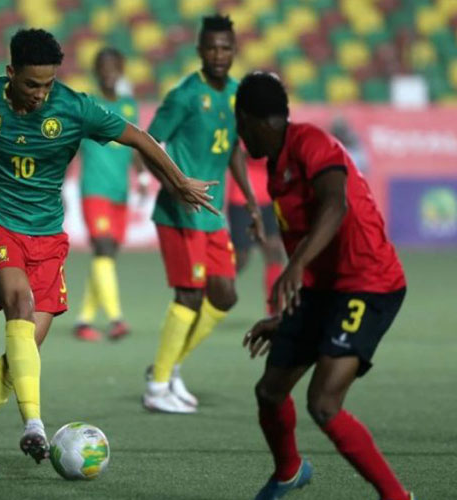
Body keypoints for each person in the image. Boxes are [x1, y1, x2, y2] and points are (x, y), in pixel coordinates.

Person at [0, 28, 216, 476]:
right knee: (20, 308)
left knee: (20, 354)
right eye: (31, 84)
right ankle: (35, 424)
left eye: (47, 84)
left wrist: (178, 182)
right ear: (10, 74)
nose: (41, 94)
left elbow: (139, 137)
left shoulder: (75, 107)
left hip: (48, 240)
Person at [237, 71, 412, 500]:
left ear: (253, 121)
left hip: (368, 282)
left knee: (324, 403)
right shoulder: (276, 167)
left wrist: (294, 266)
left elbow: (337, 203)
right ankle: (289, 471)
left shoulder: (312, 144)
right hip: (324, 290)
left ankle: (398, 497)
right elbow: (311, 235)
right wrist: (289, 316)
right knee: (270, 391)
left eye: (241, 126)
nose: (241, 137)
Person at [143, 14, 264, 414]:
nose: (218, 54)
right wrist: (175, 185)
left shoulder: (237, 95)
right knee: (190, 295)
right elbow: (148, 143)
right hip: (179, 213)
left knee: (225, 295)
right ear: (199, 51)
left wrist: (248, 198)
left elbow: (231, 148)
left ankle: (168, 365)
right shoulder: (184, 95)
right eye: (211, 47)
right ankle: (157, 387)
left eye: (225, 47)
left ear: (234, 51)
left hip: (213, 215)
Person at [72, 47, 148, 342]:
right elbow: (71, 145)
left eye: (113, 66)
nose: (108, 72)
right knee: (103, 248)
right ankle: (116, 319)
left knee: (106, 256)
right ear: (96, 71)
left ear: (121, 68)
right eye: (103, 67)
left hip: (120, 192)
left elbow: (136, 144)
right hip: (94, 189)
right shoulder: (88, 105)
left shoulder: (129, 106)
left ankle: (84, 320)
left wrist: (141, 175)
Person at [227, 148, 286, 315]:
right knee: (241, 258)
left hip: (268, 199)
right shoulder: (245, 125)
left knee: (274, 252)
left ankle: (274, 310)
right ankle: (209, 291)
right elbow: (244, 153)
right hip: (243, 201)